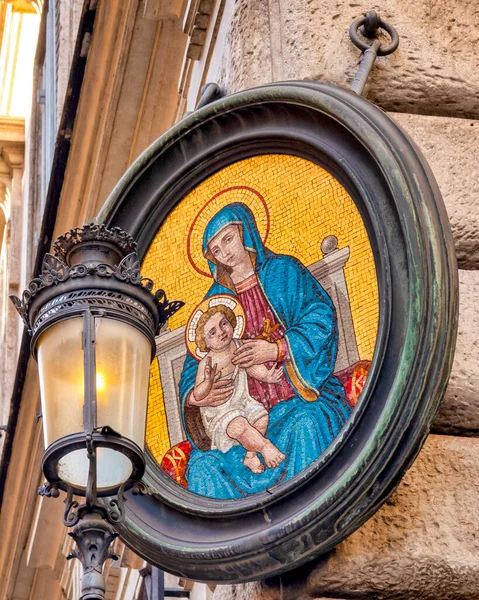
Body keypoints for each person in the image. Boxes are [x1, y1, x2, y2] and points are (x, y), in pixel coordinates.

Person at [179, 202, 352, 499]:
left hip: (296, 400)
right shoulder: (214, 302)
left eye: (228, 239)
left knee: (308, 425)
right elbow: (193, 368)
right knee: (202, 469)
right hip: (238, 421)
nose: (225, 252)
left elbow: (320, 317)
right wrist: (197, 396)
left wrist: (275, 350)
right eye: (216, 250)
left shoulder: (283, 272)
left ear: (246, 233)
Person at [192, 303, 285, 473]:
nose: (221, 332)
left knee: (261, 418)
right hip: (220, 412)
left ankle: (250, 455)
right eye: (212, 332)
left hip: (242, 401)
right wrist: (208, 381)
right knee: (239, 424)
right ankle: (265, 447)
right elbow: (198, 394)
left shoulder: (237, 344)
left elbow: (250, 365)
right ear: (204, 341)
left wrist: (266, 376)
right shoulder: (207, 363)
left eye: (224, 323)